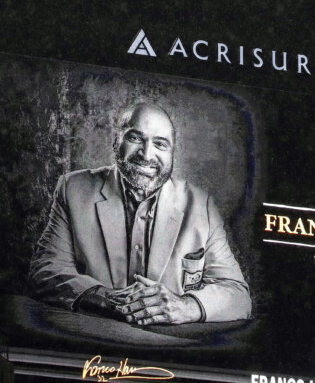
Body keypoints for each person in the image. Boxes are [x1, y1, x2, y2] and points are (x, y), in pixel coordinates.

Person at [28, 101, 252, 325]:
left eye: (160, 144)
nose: (146, 154)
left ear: (172, 153)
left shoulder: (203, 206)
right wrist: (104, 299)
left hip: (169, 344)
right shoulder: (73, 189)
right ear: (116, 141)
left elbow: (238, 295)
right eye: (135, 138)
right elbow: (46, 271)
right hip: (94, 336)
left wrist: (185, 307)